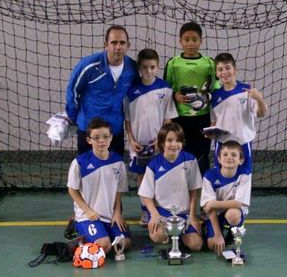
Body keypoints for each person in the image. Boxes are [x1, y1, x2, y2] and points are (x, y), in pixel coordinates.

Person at [65, 25, 140, 156]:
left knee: (114, 172)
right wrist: (73, 117)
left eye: (122, 43)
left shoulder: (132, 68)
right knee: (88, 173)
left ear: (128, 45)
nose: (118, 47)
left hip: (114, 130)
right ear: (106, 44)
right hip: (88, 129)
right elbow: (73, 92)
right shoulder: (88, 66)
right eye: (114, 42)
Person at [124, 48, 178, 226]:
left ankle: (161, 209)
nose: (148, 71)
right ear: (139, 68)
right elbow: (128, 119)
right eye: (145, 67)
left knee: (160, 176)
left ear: (157, 67)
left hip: (158, 144)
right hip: (138, 145)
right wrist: (131, 140)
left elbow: (168, 117)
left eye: (152, 67)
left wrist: (162, 140)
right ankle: (146, 211)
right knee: (142, 177)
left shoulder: (165, 88)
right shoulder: (130, 90)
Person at [67, 118, 131, 253]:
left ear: (111, 138)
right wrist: (88, 211)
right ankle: (77, 226)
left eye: (105, 137)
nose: (101, 141)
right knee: (104, 246)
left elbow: (118, 191)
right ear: (89, 140)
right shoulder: (80, 163)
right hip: (88, 215)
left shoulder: (118, 161)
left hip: (109, 214)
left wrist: (118, 213)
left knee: (125, 244)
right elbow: (72, 190)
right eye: (96, 138)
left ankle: (101, 232)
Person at [164, 21, 219, 175]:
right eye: (186, 40)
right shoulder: (173, 63)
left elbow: (216, 89)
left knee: (201, 156)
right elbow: (166, 89)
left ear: (201, 41)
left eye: (195, 39)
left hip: (203, 118)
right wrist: (175, 96)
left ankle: (203, 193)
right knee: (180, 154)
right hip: (180, 118)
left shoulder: (209, 63)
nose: (190, 44)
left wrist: (207, 98)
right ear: (180, 41)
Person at [138, 122, 203, 252]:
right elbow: (145, 195)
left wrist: (192, 215)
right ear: (162, 143)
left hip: (184, 213)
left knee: (196, 245)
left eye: (178, 140)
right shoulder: (154, 164)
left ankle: (181, 235)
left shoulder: (190, 160)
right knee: (157, 237)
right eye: (169, 140)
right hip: (163, 212)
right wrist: (155, 215)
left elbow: (194, 191)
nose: (174, 144)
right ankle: (171, 234)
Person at [209, 52, 268, 173]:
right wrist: (211, 132)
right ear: (216, 73)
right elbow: (214, 121)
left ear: (235, 69)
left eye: (227, 68)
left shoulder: (247, 90)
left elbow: (262, 114)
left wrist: (259, 99)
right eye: (220, 69)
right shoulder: (215, 95)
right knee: (221, 177)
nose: (224, 72)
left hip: (243, 142)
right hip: (222, 143)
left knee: (244, 176)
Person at [200, 140, 251, 256]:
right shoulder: (209, 176)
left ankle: (233, 234)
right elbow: (210, 210)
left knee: (233, 216)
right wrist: (217, 235)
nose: (229, 158)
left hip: (231, 211)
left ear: (241, 160)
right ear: (219, 159)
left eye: (234, 155)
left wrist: (214, 204)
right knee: (212, 245)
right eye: (225, 154)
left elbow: (239, 204)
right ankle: (212, 230)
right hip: (214, 214)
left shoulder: (245, 174)